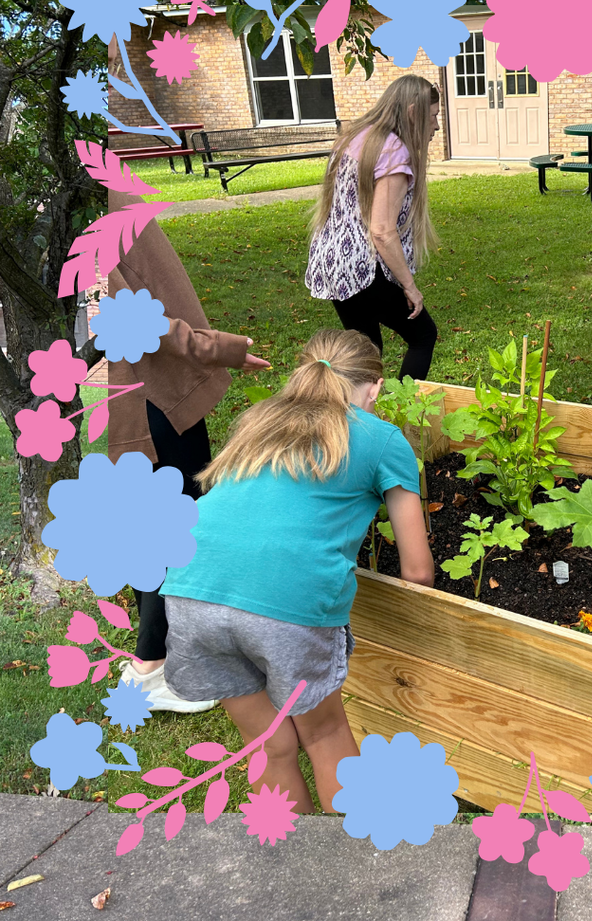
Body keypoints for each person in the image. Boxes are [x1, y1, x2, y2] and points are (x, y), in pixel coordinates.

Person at [160, 328, 435, 813]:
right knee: (324, 733)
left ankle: (292, 856)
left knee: (268, 743)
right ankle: (355, 854)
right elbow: (416, 571)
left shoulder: (260, 420)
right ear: (375, 387)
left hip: (190, 589)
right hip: (285, 603)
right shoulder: (382, 438)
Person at [107, 190, 271, 713]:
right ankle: (151, 668)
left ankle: (155, 656)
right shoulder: (92, 199)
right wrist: (220, 349)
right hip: (151, 400)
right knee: (168, 533)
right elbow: (133, 320)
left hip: (141, 396)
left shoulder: (85, 185)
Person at [306, 75, 441, 381]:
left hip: (335, 264)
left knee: (366, 355)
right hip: (365, 267)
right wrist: (410, 287)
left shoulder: (356, 137)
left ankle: (357, 410)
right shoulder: (394, 152)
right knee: (423, 335)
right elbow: (382, 230)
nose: (435, 126)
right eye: (432, 117)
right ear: (413, 113)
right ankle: (405, 407)